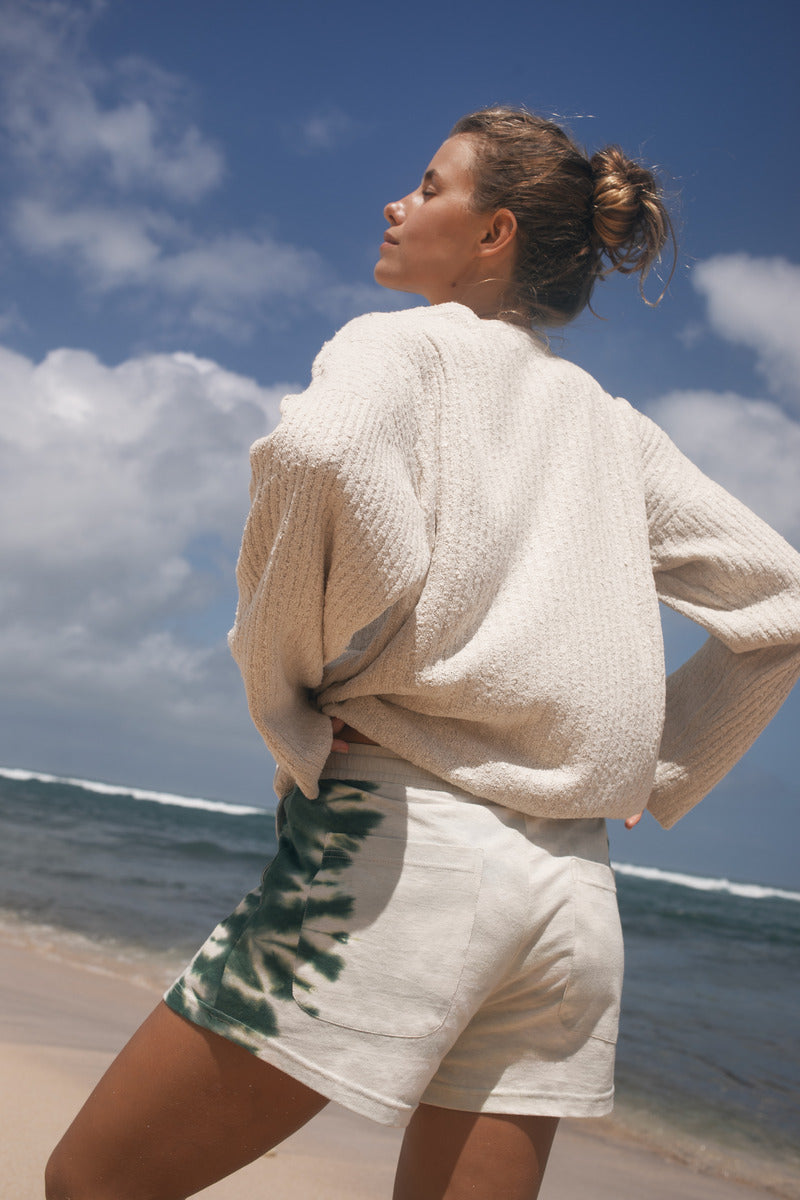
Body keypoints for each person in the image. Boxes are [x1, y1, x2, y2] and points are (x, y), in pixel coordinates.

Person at [46, 107, 800, 1200]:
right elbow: (781, 600)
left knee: (91, 1183)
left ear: (492, 234)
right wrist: (663, 758)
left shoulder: (397, 344)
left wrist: (294, 685)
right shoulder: (613, 430)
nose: (397, 204)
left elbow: (320, 447)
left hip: (402, 855)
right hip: (573, 905)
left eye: (429, 187)